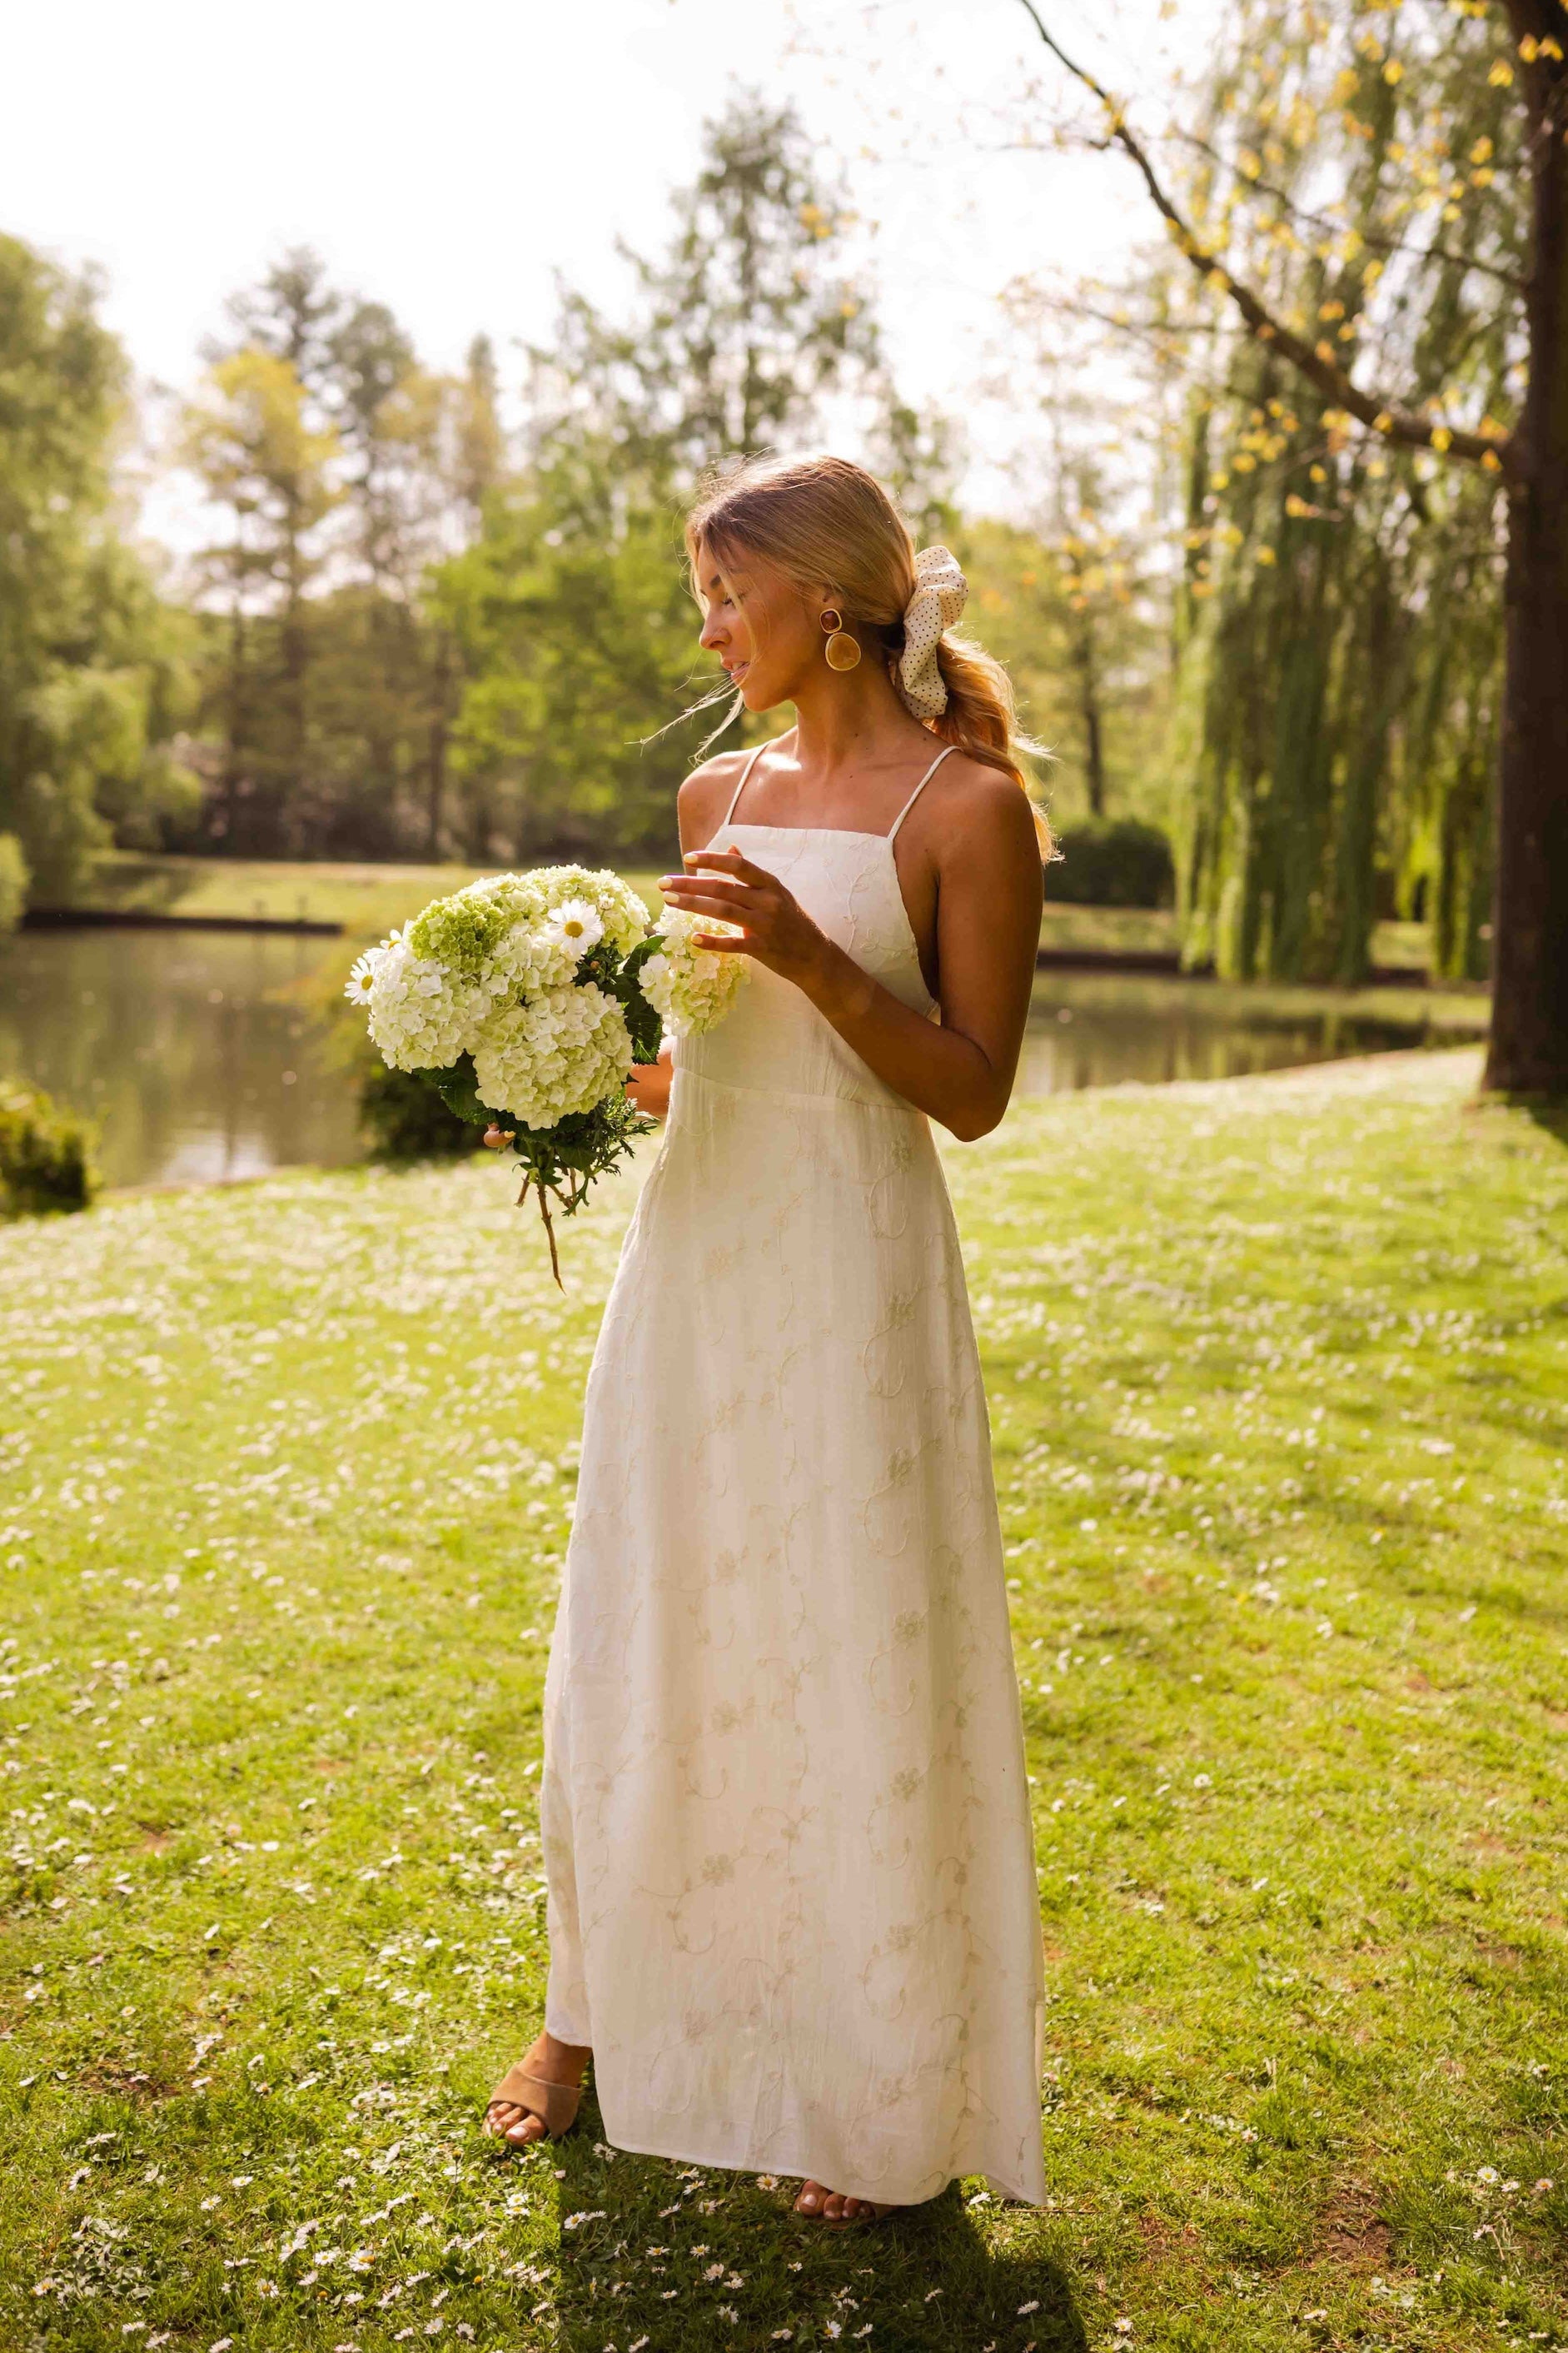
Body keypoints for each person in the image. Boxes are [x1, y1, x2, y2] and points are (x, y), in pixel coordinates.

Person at [483, 452, 1053, 2224]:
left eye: (725, 593)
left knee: (846, 1640)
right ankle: (597, 2012)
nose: (708, 626)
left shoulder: (967, 811)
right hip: (698, 1263)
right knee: (645, 1623)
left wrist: (816, 957)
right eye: (703, 596)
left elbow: (970, 1093)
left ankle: (879, 2088)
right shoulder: (710, 792)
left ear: (825, 599)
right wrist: (562, 1079)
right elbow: (702, 1057)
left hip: (852, 1270)